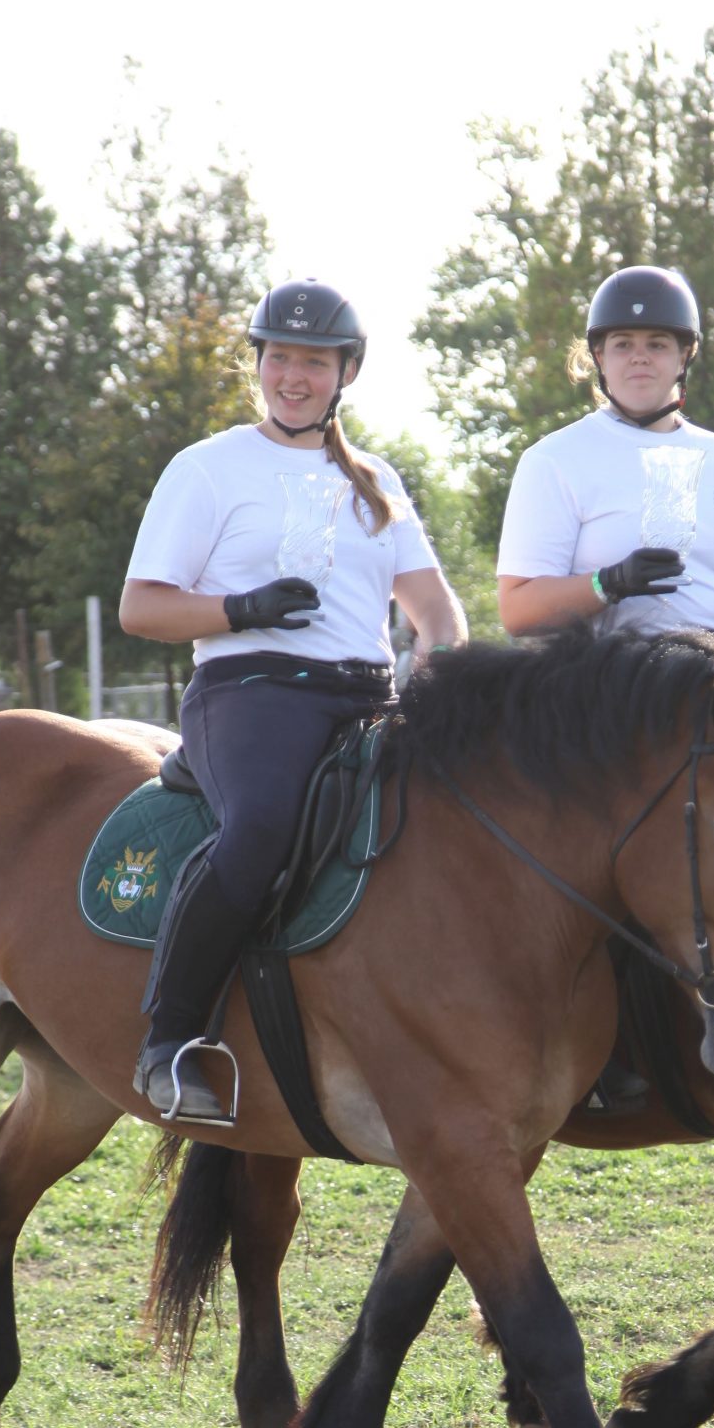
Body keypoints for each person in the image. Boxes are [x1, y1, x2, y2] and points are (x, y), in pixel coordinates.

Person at [119, 277, 468, 1125]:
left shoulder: (376, 479)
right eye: (280, 357)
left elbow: (435, 612)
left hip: (366, 696)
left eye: (314, 362)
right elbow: (141, 608)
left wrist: (436, 673)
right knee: (264, 823)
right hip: (249, 691)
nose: (294, 376)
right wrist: (239, 610)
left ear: (344, 372)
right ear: (260, 364)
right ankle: (168, 1044)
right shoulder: (206, 469)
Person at [495, 265, 714, 651]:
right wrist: (608, 583)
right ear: (599, 357)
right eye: (623, 344)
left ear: (683, 357)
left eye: (657, 344)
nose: (639, 357)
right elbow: (517, 609)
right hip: (616, 672)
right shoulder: (553, 459)